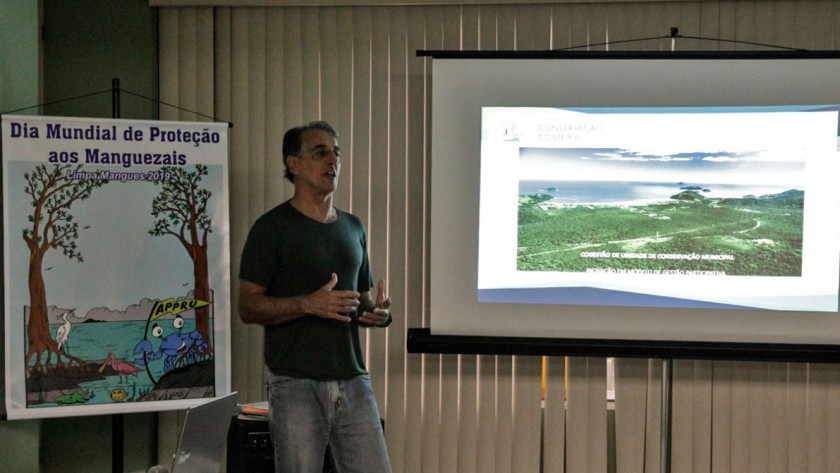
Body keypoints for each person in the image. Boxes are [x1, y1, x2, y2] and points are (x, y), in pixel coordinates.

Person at [238, 121, 393, 473]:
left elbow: (361, 302)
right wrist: (307, 303)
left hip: (353, 379)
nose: (332, 161)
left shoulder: (353, 227)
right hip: (296, 383)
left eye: (336, 153)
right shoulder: (271, 228)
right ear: (294, 165)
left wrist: (377, 313)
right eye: (320, 153)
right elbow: (247, 307)